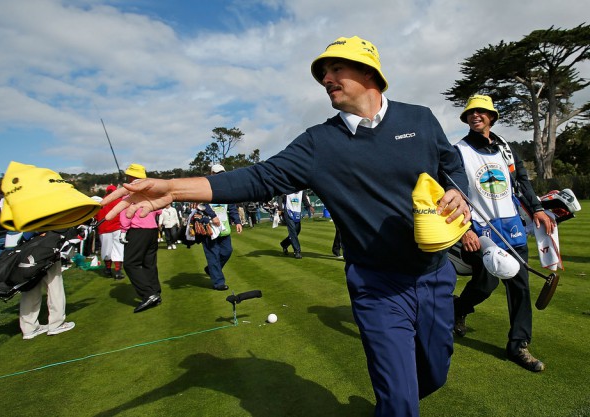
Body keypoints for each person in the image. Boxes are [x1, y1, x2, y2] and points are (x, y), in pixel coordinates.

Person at [102, 35, 470, 417]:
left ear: (369, 72)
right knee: (398, 403)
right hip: (377, 286)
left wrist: (458, 194)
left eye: (336, 68)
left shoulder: (420, 119)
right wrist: (174, 189)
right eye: (323, 73)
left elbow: (451, 167)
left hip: (434, 274)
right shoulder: (319, 144)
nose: (326, 78)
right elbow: (259, 178)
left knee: (435, 375)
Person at [452, 94, 555, 372]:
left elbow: (522, 181)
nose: (476, 116)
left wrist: (537, 209)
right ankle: (459, 309)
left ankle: (518, 345)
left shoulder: (506, 149)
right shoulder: (458, 151)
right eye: (471, 112)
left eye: (482, 112)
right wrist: (464, 230)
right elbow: (452, 194)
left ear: (492, 117)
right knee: (486, 283)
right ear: (466, 118)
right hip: (479, 230)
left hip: (511, 228)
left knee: (519, 287)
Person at [119, 164, 163, 313]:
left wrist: (123, 230)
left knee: (131, 263)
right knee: (148, 262)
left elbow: (126, 213)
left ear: (131, 177)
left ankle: (148, 294)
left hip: (138, 230)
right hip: (152, 230)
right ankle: (155, 292)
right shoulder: (150, 192)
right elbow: (159, 210)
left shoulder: (130, 192)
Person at [18, 231, 76, 340]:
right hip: (45, 243)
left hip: (28, 244)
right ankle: (56, 324)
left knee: (31, 286)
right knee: (54, 284)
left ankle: (29, 328)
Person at [200, 164, 243, 291]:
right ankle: (218, 282)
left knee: (227, 251)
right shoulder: (204, 188)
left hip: (223, 227)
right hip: (209, 227)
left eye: (222, 173)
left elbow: (231, 207)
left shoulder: (227, 189)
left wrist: (237, 221)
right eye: (217, 174)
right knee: (213, 254)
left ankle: (211, 270)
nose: (220, 176)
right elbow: (201, 204)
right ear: (211, 174)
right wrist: (212, 215)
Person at [95, 185, 124, 279]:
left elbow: (96, 217)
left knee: (106, 250)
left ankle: (107, 270)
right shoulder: (120, 201)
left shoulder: (101, 202)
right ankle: (117, 271)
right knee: (118, 249)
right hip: (117, 227)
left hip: (104, 229)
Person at [279, 190, 312, 259]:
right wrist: (280, 209)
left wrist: (309, 206)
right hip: (288, 212)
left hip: (297, 213)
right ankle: (297, 251)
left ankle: (284, 244)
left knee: (297, 230)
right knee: (292, 231)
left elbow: (304, 200)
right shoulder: (287, 189)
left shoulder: (301, 192)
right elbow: (280, 197)